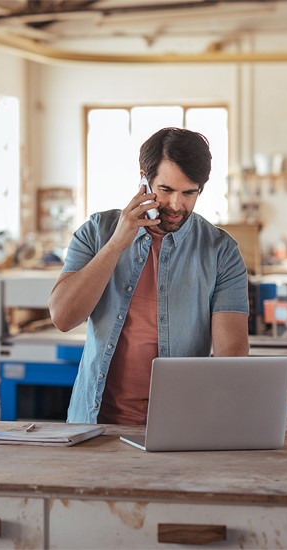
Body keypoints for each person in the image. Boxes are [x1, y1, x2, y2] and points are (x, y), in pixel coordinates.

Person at [48, 127, 249, 425]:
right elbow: (63, 317)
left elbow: (230, 355)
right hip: (94, 426)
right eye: (166, 190)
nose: (177, 205)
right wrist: (116, 243)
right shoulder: (96, 232)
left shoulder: (221, 251)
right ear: (144, 177)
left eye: (189, 193)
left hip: (180, 426)